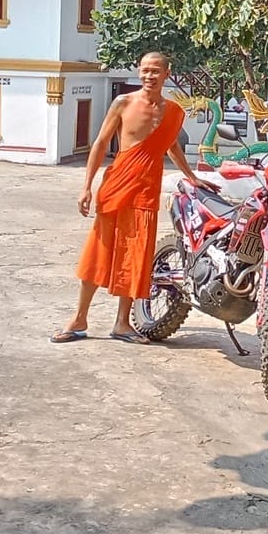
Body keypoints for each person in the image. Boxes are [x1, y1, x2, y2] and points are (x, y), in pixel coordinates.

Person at [52, 52, 212, 345]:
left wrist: (191, 176)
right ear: (139, 72)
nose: (149, 76)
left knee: (135, 255)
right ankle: (79, 319)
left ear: (167, 73)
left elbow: (171, 146)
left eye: (155, 71)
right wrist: (86, 186)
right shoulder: (123, 103)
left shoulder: (175, 112)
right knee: (98, 253)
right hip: (117, 186)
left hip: (146, 190)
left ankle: (123, 323)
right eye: (144, 70)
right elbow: (100, 143)